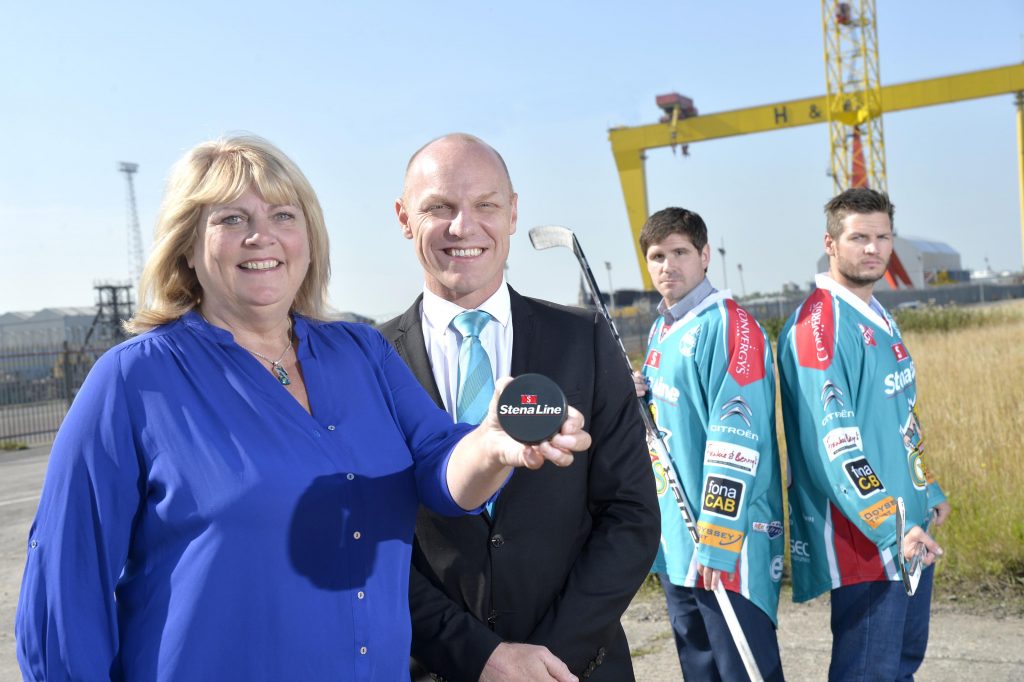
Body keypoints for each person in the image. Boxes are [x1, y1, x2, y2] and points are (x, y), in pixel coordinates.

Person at [15, 135, 592, 681]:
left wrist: (491, 443)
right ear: (187, 246)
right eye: (231, 219)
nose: (260, 237)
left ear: (308, 238)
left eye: (283, 216)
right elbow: (68, 581)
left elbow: (444, 475)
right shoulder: (134, 379)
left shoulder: (362, 352)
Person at [379, 133, 660, 682]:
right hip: (441, 668)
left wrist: (549, 658)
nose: (464, 227)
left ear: (513, 213)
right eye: (439, 207)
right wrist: (482, 659)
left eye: (485, 205)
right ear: (404, 218)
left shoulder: (585, 339)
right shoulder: (370, 364)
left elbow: (631, 516)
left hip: (577, 667)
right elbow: (380, 544)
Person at [778, 187, 952, 681]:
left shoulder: (876, 313)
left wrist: (928, 488)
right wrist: (890, 528)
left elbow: (900, 418)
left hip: (909, 526)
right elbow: (837, 448)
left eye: (882, 237)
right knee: (869, 673)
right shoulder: (821, 325)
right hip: (866, 537)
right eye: (859, 238)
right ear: (830, 243)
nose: (873, 249)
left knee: (900, 666)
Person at [633, 207, 785, 681]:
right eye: (657, 256)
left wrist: (718, 540)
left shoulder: (727, 325)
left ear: (704, 256)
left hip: (725, 543)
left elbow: (735, 437)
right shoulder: (664, 326)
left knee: (743, 670)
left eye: (680, 253)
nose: (667, 266)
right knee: (700, 669)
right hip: (679, 539)